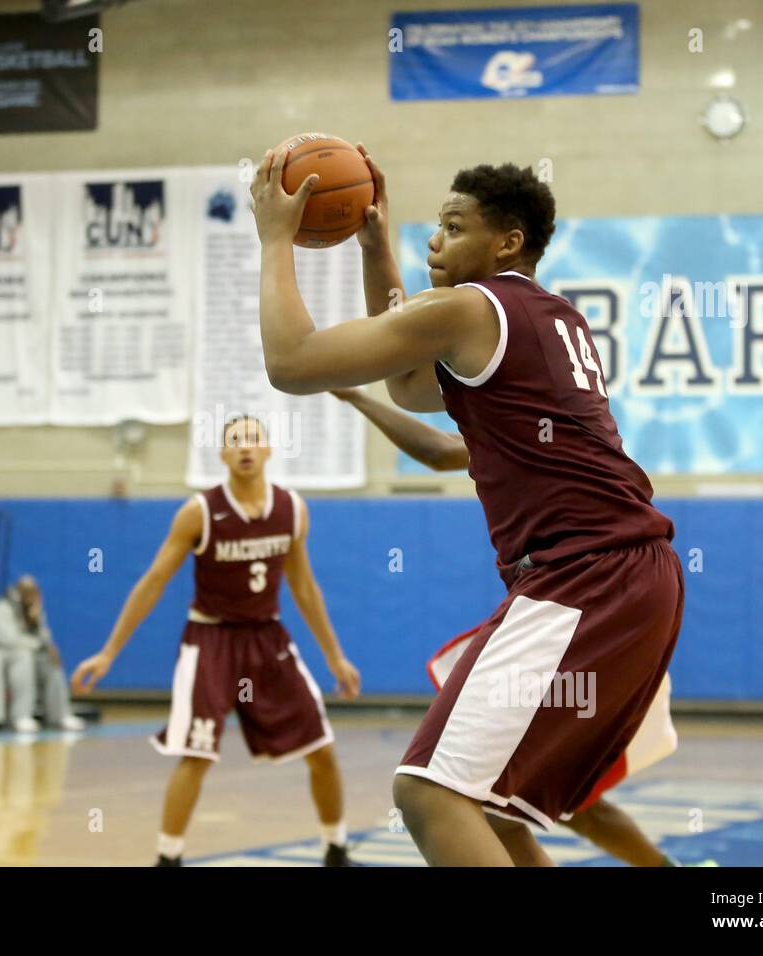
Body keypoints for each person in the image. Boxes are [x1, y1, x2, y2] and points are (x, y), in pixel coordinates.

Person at [249, 151, 683, 866]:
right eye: (435, 227)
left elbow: (290, 362)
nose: (436, 241)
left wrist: (274, 240)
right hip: (616, 576)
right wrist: (374, 248)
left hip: (587, 578)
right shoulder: (547, 317)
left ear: (508, 241)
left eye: (454, 226)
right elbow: (412, 384)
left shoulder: (473, 308)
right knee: (484, 805)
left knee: (425, 793)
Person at [334, 387, 703, 867]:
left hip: (595, 599)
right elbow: (441, 450)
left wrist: (354, 383)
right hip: (608, 597)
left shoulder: (542, 415)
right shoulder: (535, 420)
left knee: (441, 791)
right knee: (494, 809)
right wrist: (359, 395)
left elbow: (436, 445)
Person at [72, 416, 362, 867]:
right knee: (197, 753)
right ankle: (168, 858)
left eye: (253, 438)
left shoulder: (292, 510)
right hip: (211, 639)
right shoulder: (198, 512)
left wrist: (336, 657)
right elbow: (153, 582)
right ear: (222, 454)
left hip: (268, 637)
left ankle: (336, 847)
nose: (245, 447)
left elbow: (304, 587)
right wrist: (109, 651)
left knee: (321, 747)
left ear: (268, 449)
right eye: (234, 441)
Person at [0, 577, 84, 735]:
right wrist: (39, 644)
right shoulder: (0, 606)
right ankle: (20, 716)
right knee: (23, 656)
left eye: (34, 591)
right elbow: (8, 640)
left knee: (50, 660)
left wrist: (45, 642)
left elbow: (44, 638)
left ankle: (61, 714)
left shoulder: (34, 610)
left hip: (24, 652)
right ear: (17, 592)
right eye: (27, 591)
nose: (31, 595)